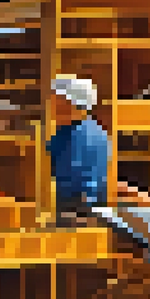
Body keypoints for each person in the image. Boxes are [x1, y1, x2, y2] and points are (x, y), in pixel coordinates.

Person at [47, 75, 110, 223]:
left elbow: (47, 162)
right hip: (93, 205)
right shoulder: (100, 132)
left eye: (58, 104)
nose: (54, 110)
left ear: (72, 105)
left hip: (74, 207)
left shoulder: (69, 134)